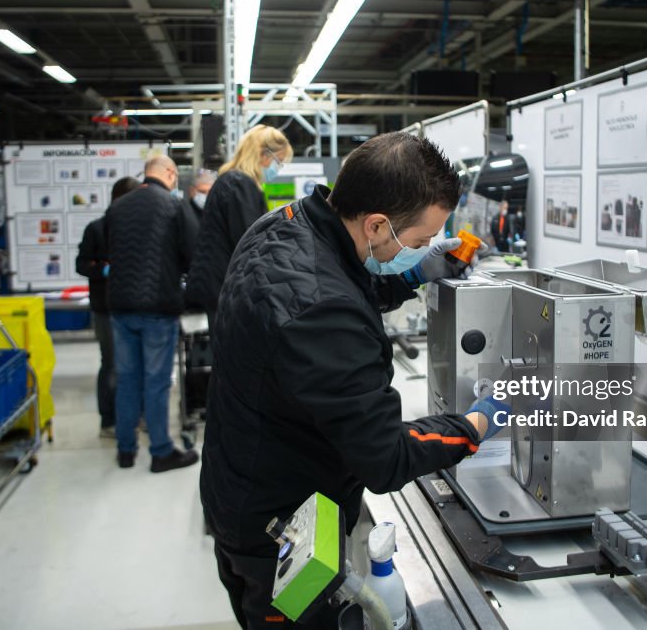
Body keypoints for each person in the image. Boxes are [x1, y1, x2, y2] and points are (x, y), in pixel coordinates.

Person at [200, 133, 506, 629]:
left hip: (240, 480)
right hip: (280, 530)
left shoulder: (286, 224)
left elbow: (338, 278)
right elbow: (385, 459)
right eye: (421, 239)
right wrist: (473, 426)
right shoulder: (322, 309)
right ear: (377, 224)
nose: (427, 245)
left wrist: (414, 273)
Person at [105, 156, 200, 473]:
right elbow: (191, 253)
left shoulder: (118, 207)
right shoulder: (173, 206)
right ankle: (160, 451)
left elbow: (109, 250)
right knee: (157, 382)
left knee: (127, 379)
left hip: (120, 307)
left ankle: (125, 449)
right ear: (170, 174)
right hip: (158, 306)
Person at [185, 125, 292, 327]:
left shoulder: (230, 181)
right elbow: (251, 239)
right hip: (226, 287)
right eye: (279, 161)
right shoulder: (240, 184)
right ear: (263, 155)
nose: (278, 168)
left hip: (219, 285)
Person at [75, 176, 141, 438]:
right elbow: (81, 264)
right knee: (113, 364)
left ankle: (138, 415)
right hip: (106, 309)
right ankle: (109, 420)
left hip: (134, 304)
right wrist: (103, 269)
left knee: (138, 365)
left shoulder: (138, 230)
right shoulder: (97, 229)